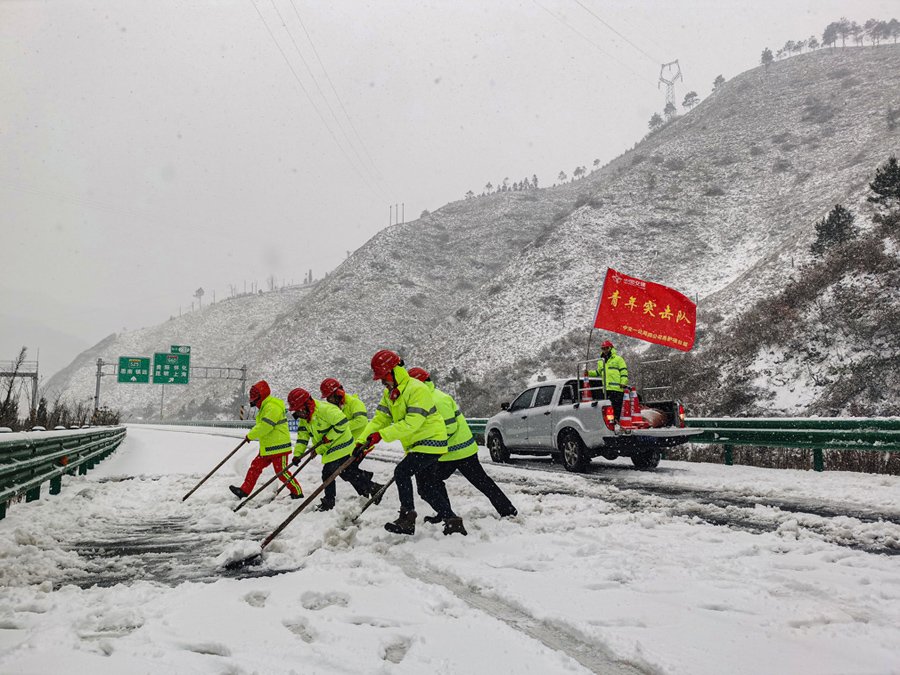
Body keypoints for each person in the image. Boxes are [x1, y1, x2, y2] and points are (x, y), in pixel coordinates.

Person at [357, 349, 466, 536]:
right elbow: (379, 419)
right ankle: (453, 521)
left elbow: (412, 422)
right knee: (425, 489)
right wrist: (361, 442)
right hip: (418, 444)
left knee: (402, 471)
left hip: (432, 441)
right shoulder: (390, 393)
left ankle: (407, 518)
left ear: (394, 372)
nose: (382, 381)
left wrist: (381, 435)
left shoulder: (417, 389)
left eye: (384, 377)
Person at [407, 367, 517, 521]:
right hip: (447, 453)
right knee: (435, 481)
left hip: (461, 451)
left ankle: (508, 511)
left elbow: (449, 428)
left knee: (480, 482)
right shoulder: (427, 399)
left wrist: (427, 444)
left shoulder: (437, 400)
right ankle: (445, 513)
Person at [287, 387, 383, 512]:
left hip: (342, 444)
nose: (298, 414)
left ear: (307, 404)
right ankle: (372, 487)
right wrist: (297, 454)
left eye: (299, 410)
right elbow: (302, 438)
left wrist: (328, 437)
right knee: (346, 473)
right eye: (296, 411)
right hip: (329, 448)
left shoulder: (326, 410)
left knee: (329, 473)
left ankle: (329, 501)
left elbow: (343, 423)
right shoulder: (305, 420)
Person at [230, 380, 302, 500]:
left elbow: (265, 426)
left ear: (261, 397)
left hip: (279, 446)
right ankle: (244, 490)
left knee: (282, 472)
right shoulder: (265, 407)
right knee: (255, 467)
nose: (255, 403)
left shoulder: (272, 407)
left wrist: (251, 435)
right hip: (268, 447)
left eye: (255, 400)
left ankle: (297, 492)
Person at [587, 339, 629, 420]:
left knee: (617, 408)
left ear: (611, 349)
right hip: (606, 389)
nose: (605, 350)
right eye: (603, 349)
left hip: (617, 388)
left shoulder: (618, 359)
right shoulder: (601, 361)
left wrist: (623, 382)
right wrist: (589, 373)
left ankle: (617, 422)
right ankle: (612, 423)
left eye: (607, 348)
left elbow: (624, 371)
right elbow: (598, 372)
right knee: (609, 409)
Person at [320, 378, 369, 442]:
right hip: (347, 444)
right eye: (327, 398)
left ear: (337, 393)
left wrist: (340, 427)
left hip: (359, 443)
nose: (329, 400)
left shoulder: (354, 403)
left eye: (330, 397)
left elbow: (362, 420)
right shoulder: (335, 407)